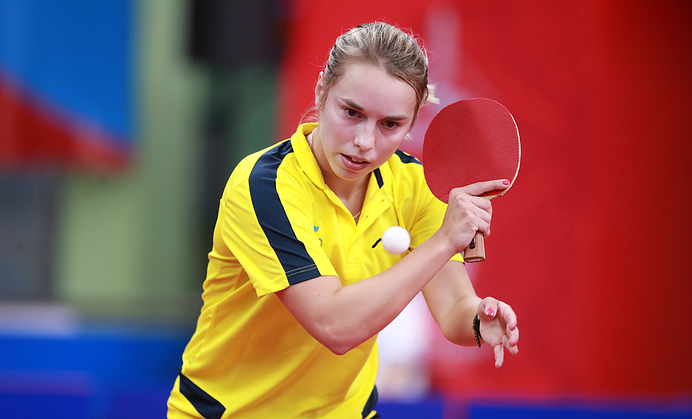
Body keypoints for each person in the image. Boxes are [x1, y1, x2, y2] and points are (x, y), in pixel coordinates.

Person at [167, 22, 519, 419]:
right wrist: (443, 241)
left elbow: (454, 306)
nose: (366, 142)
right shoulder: (265, 186)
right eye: (352, 113)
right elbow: (334, 327)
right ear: (321, 92)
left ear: (413, 120)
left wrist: (479, 319)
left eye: (390, 124)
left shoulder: (414, 186)